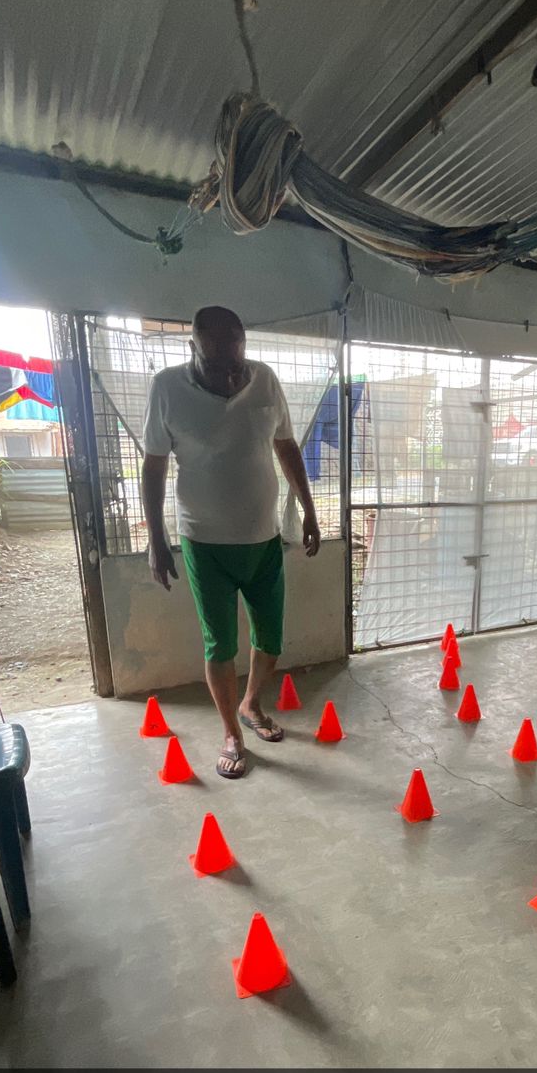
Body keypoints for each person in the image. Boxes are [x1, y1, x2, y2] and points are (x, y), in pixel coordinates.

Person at [141, 305, 320, 779]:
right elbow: (154, 465)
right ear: (193, 349)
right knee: (219, 645)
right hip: (205, 543)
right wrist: (156, 538)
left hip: (263, 539)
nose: (229, 376)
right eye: (216, 365)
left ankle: (251, 703)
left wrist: (308, 510)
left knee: (271, 640)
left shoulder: (265, 380)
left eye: (236, 363)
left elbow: (286, 445)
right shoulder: (166, 388)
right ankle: (231, 734)